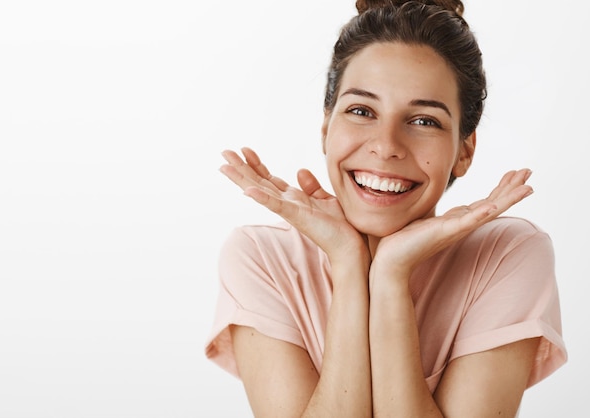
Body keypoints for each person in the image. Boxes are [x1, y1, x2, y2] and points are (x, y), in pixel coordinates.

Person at [205, 0, 567, 416]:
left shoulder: (506, 255)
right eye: (361, 111)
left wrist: (391, 277)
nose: (386, 146)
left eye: (424, 120)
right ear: (327, 129)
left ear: (464, 151)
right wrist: (347, 263)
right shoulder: (262, 259)